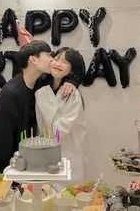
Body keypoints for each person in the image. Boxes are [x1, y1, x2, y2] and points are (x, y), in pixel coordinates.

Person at [0, 41, 78, 173]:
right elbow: (0, 138)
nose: (52, 60)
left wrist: (72, 81)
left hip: (29, 164)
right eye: (48, 55)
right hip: (7, 168)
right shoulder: (11, 92)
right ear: (33, 60)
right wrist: (9, 171)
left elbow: (72, 71)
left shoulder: (40, 85)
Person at [35, 47, 88, 189]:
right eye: (56, 59)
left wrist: (47, 134)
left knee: (69, 196)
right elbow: (39, 121)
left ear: (72, 70)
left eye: (64, 62)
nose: (57, 64)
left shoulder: (73, 94)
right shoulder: (41, 90)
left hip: (69, 152)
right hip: (46, 151)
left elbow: (64, 128)